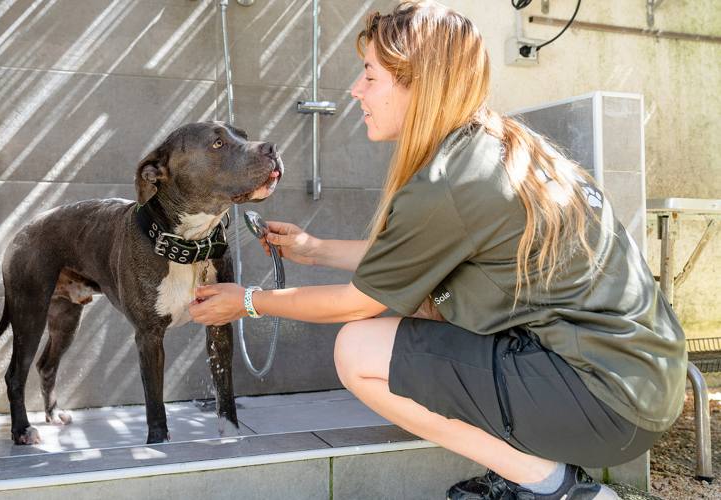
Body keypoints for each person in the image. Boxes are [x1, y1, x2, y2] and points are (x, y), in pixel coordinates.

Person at [188, 2, 686, 498]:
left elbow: (355, 304)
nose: (355, 89)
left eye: (370, 76)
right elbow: (411, 257)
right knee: (427, 308)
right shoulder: (496, 147)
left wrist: (248, 302)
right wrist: (313, 249)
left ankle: (555, 487)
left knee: (358, 349)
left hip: (603, 401)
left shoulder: (450, 181)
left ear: (420, 84)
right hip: (641, 382)